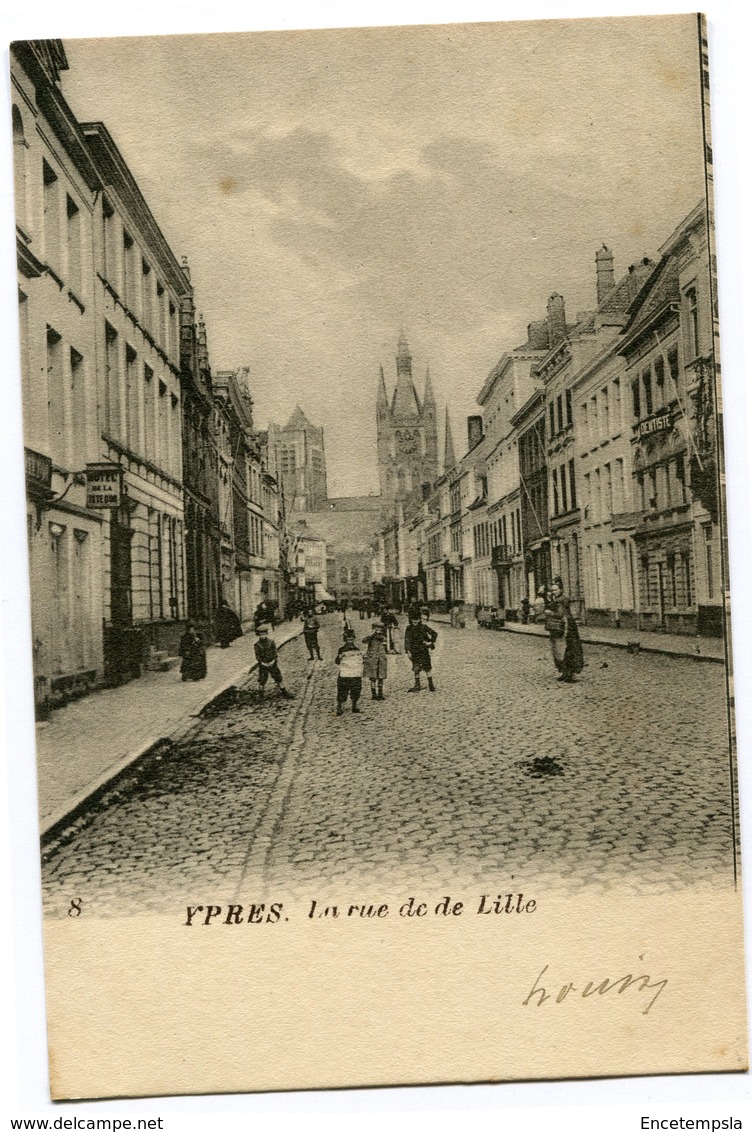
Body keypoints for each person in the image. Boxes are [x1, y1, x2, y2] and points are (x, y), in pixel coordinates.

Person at [544, 577, 584, 683]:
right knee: (561, 649)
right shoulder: (556, 600)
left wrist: (549, 613)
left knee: (568, 648)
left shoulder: (562, 600)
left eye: (556, 590)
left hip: (567, 626)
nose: (554, 592)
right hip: (561, 625)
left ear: (561, 590)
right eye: (552, 590)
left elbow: (560, 614)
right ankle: (565, 673)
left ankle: (570, 674)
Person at [253, 625, 293, 698]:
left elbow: (275, 652)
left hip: (272, 663)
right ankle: (261, 694)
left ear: (267, 634)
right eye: (261, 635)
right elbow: (257, 656)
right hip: (263, 665)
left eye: (264, 634)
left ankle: (284, 692)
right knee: (262, 680)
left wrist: (273, 661)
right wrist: (263, 663)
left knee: (278, 677)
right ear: (258, 635)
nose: (263, 636)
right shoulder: (257, 645)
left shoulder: (271, 642)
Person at [404, 611, 438, 692]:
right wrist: (408, 651)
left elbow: (434, 634)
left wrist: (430, 642)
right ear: (411, 620)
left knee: (427, 667)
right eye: (413, 619)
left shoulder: (423, 627)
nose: (415, 621)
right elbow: (406, 640)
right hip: (414, 651)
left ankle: (431, 685)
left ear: (419, 620)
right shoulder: (409, 628)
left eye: (417, 619)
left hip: (423, 650)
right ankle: (417, 685)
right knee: (416, 668)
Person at [334, 627, 364, 715]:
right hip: (345, 673)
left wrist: (363, 659)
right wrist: (339, 657)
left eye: (351, 639)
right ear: (345, 640)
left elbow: (360, 661)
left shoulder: (357, 650)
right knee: (342, 689)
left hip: (355, 673)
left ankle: (354, 705)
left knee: (356, 688)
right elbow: (337, 662)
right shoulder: (341, 650)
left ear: (354, 639)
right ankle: (339, 706)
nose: (350, 641)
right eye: (348, 639)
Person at [362, 620, 388, 701]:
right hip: (372, 659)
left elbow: (386, 643)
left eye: (380, 630)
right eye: (377, 630)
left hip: (381, 659)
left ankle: (380, 693)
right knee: (373, 677)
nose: (379, 632)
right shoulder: (370, 638)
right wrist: (371, 634)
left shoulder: (383, 638)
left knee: (381, 676)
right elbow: (364, 641)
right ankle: (374, 694)